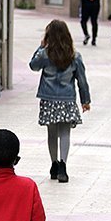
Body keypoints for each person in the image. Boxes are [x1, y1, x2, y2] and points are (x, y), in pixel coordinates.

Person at [29, 19, 91, 183]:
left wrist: (41, 47)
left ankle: (54, 165)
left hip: (48, 99)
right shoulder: (74, 56)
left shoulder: (44, 54)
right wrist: (86, 100)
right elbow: (81, 80)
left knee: (52, 133)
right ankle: (63, 165)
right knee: (65, 133)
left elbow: (33, 66)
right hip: (67, 99)